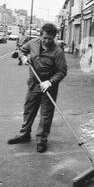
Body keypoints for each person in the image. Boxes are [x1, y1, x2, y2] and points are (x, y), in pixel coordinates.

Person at [7, 23, 68, 153]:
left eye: (50, 38)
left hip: (48, 87)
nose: (47, 41)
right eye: (45, 38)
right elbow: (22, 50)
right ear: (40, 36)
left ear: (54, 37)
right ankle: (24, 135)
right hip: (34, 83)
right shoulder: (33, 43)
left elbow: (62, 71)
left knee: (46, 114)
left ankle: (41, 140)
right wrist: (23, 57)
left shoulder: (57, 52)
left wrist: (50, 82)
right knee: (29, 109)